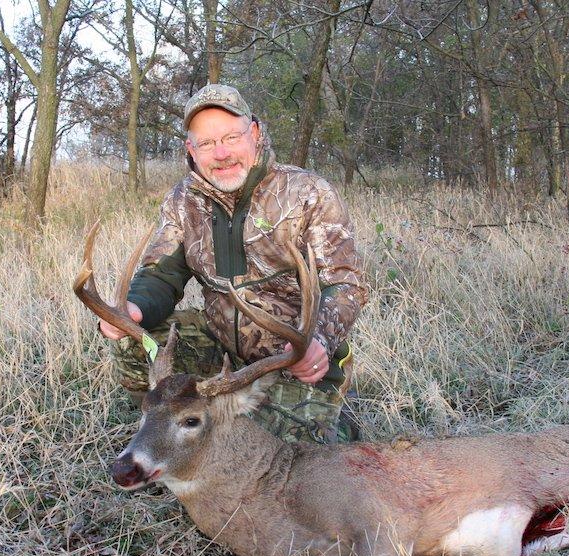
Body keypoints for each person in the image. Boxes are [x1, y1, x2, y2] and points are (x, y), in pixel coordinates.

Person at [97, 84, 368, 444]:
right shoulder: (183, 201)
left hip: (291, 359)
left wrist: (320, 338)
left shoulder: (307, 193)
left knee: (294, 461)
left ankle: (328, 413)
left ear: (254, 133)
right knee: (135, 341)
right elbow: (162, 274)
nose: (221, 153)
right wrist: (133, 308)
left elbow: (346, 283)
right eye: (206, 144)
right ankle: (164, 437)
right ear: (190, 150)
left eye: (231, 137)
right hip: (220, 348)